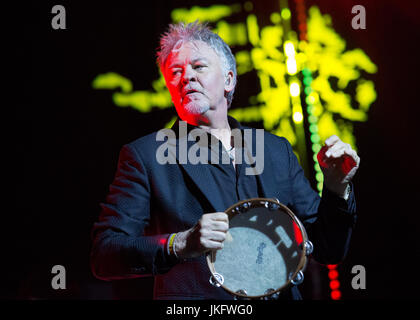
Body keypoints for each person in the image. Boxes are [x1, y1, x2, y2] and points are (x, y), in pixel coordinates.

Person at [90, 21, 360, 300]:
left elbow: (329, 248)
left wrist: (338, 187)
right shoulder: (146, 157)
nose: (187, 77)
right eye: (175, 71)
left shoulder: (275, 150)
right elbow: (105, 254)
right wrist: (179, 244)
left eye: (198, 66)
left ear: (229, 79)